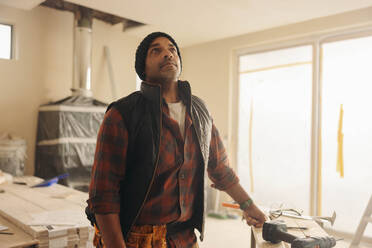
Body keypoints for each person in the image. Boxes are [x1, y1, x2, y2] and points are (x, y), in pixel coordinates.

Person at [87, 32, 266, 248]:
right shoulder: (122, 114)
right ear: (143, 67)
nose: (167, 54)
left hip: (185, 238)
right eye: (156, 50)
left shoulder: (199, 111)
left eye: (172, 49)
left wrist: (248, 205)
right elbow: (103, 193)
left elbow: (220, 167)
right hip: (136, 238)